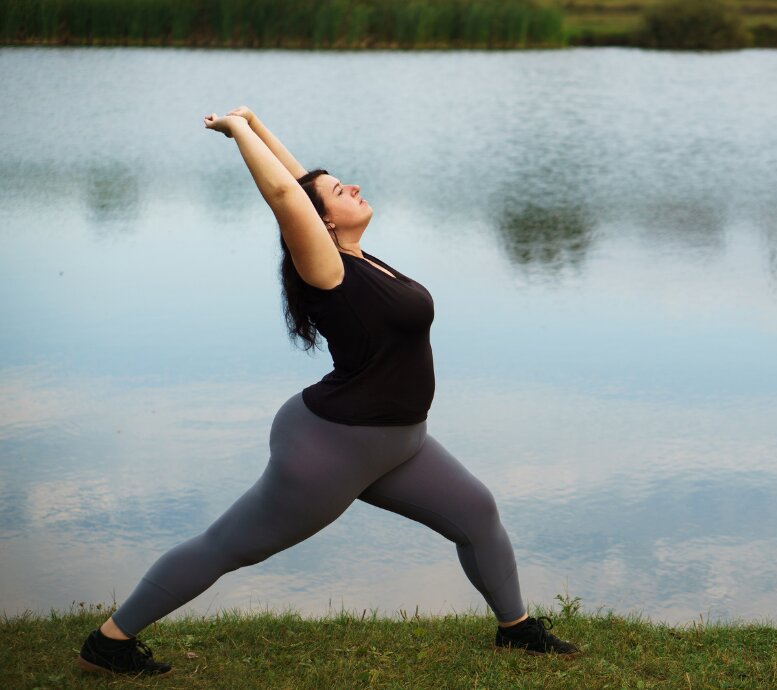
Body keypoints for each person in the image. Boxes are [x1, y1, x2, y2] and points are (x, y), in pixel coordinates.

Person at [76, 106, 580, 677]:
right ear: (324, 224)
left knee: (477, 512)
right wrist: (237, 134)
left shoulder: (357, 256)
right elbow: (290, 200)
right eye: (342, 190)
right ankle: (109, 642)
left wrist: (257, 121)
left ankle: (515, 630)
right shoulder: (326, 269)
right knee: (229, 546)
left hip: (400, 443)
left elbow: (301, 186)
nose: (355, 187)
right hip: (331, 450)